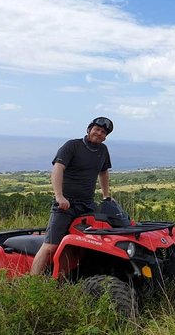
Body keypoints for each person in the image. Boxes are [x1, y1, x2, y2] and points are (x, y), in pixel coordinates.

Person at [30, 117, 114, 275]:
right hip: (65, 205)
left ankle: (67, 278)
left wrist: (106, 195)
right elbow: (58, 169)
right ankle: (32, 284)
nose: (99, 133)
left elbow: (104, 172)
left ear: (105, 137)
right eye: (97, 129)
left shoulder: (103, 150)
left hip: (87, 205)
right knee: (50, 246)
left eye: (103, 132)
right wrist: (59, 196)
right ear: (89, 129)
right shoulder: (72, 146)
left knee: (84, 244)